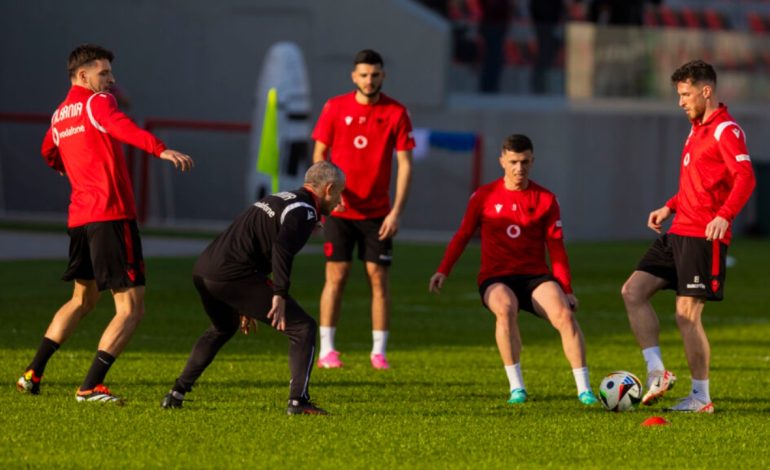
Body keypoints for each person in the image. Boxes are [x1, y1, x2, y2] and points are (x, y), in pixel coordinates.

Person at [16, 44, 193, 403]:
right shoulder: (98, 103)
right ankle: (90, 386)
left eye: (111, 73)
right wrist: (160, 149)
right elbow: (121, 126)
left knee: (82, 299)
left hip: (80, 218)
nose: (111, 80)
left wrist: (70, 169)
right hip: (110, 216)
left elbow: (48, 151)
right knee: (131, 308)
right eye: (104, 73)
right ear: (83, 76)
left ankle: (33, 373)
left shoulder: (60, 114)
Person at [621, 60, 755, 413]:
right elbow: (699, 185)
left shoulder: (726, 130)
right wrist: (669, 206)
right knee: (632, 291)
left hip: (702, 236)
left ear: (705, 91)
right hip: (678, 230)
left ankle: (700, 397)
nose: (680, 101)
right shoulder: (696, 129)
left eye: (685, 94)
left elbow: (745, 177)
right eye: (678, 94)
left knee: (686, 315)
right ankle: (657, 372)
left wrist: (724, 217)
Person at [160, 161, 345, 415]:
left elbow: (254, 239)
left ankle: (176, 393)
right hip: (232, 274)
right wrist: (279, 294)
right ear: (329, 188)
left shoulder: (280, 197)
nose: (340, 201)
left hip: (204, 269)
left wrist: (244, 299)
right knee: (303, 328)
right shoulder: (304, 211)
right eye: (339, 193)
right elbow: (281, 249)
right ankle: (298, 401)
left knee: (222, 327)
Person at [429, 134, 598, 406]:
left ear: (533, 161)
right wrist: (443, 270)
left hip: (534, 277)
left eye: (525, 162)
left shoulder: (546, 199)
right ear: (502, 161)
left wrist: (566, 289)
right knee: (505, 309)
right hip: (495, 278)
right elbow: (462, 236)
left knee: (565, 316)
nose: (520, 168)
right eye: (514, 162)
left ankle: (584, 390)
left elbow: (556, 248)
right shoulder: (483, 196)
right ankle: (517, 387)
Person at [312, 49, 415, 370]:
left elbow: (405, 164)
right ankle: (327, 350)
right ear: (354, 77)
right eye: (364, 74)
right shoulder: (334, 107)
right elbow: (319, 155)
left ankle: (378, 352)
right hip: (340, 211)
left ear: (383, 76)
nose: (369, 80)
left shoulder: (396, 112)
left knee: (378, 279)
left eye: (375, 74)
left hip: (378, 214)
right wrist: (326, 197)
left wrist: (396, 211)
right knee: (336, 277)